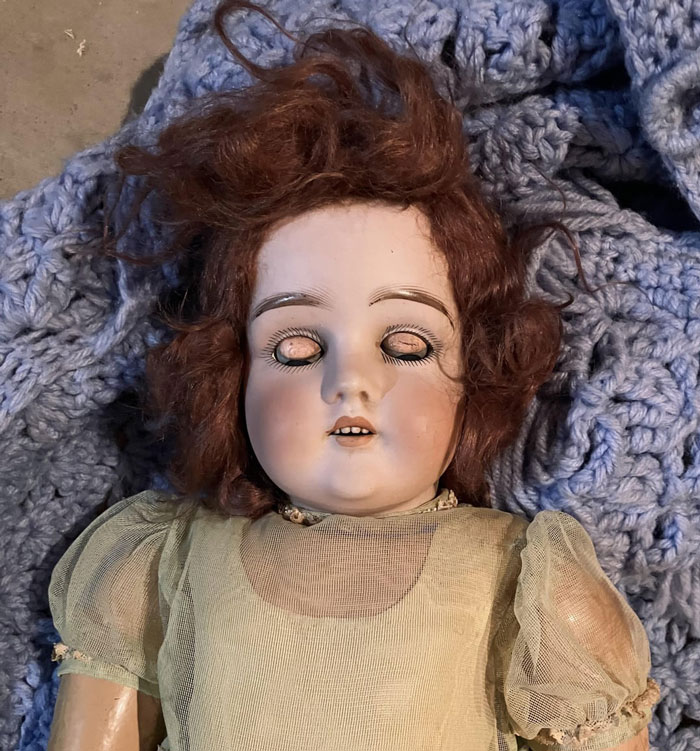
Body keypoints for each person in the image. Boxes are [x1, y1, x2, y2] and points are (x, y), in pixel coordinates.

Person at [46, 1, 661, 749]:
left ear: (473, 378)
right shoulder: (155, 566)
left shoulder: (531, 590)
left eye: (406, 344)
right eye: (297, 348)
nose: (351, 380)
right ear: (231, 377)